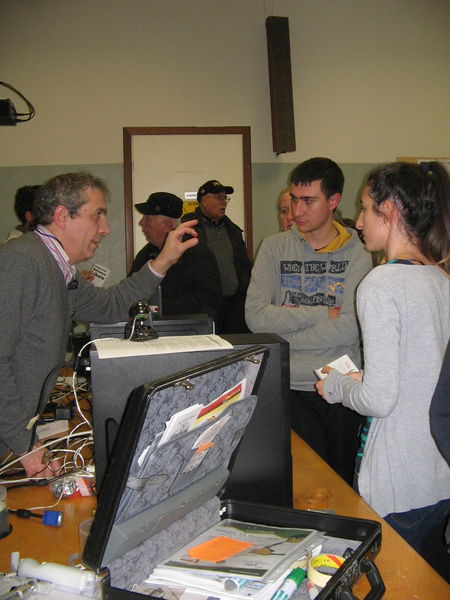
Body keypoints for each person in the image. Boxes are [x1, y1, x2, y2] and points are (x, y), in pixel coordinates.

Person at [0, 172, 198, 479]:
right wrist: (25, 443)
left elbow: (110, 305)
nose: (105, 228)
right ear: (62, 216)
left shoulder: (59, 269)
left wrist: (164, 260)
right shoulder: (23, 260)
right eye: (97, 215)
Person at [316, 161, 450, 578]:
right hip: (438, 474)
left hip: (399, 480)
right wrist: (363, 379)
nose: (358, 222)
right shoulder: (440, 278)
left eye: (365, 208)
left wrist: (336, 386)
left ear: (388, 210)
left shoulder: (380, 283)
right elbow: (423, 373)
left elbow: (379, 400)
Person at [245, 157, 372, 484]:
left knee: (342, 485)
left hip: (342, 386)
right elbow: (256, 318)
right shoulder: (273, 248)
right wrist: (322, 313)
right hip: (287, 387)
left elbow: (351, 326)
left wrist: (284, 329)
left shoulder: (358, 252)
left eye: (308, 201)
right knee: (299, 485)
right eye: (294, 199)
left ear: (333, 201)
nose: (297, 210)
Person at [129, 192, 222, 319]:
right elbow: (132, 290)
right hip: (152, 327)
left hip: (190, 329)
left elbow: (209, 301)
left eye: (147, 219)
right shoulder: (145, 254)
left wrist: (158, 307)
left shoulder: (197, 253)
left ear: (166, 225)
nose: (141, 223)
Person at [182, 180, 252, 333]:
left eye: (225, 198)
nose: (224, 202)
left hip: (234, 308)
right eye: (219, 197)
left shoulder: (233, 230)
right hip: (202, 308)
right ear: (203, 200)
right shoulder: (187, 229)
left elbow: (244, 266)